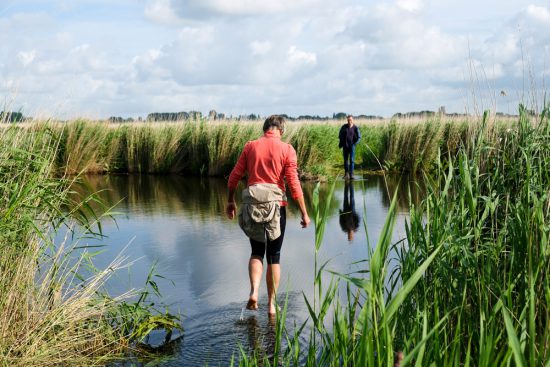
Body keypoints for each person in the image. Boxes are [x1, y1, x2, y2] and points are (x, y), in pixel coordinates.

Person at [226, 115, 310, 315]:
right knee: (274, 256)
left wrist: (230, 200)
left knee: (256, 252)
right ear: (281, 130)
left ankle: (254, 292)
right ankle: (271, 305)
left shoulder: (250, 146)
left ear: (265, 129)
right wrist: (304, 213)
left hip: (251, 205)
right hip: (276, 206)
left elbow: (234, 177)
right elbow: (293, 183)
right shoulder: (287, 149)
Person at [338, 115, 361, 180]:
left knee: (352, 160)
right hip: (345, 146)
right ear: (347, 120)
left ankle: (352, 174)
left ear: (353, 120)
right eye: (348, 120)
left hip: (352, 146)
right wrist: (341, 142)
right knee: (345, 161)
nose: (349, 121)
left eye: (350, 120)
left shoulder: (355, 128)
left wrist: (355, 143)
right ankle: (346, 174)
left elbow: (359, 137)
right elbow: (340, 135)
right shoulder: (344, 127)